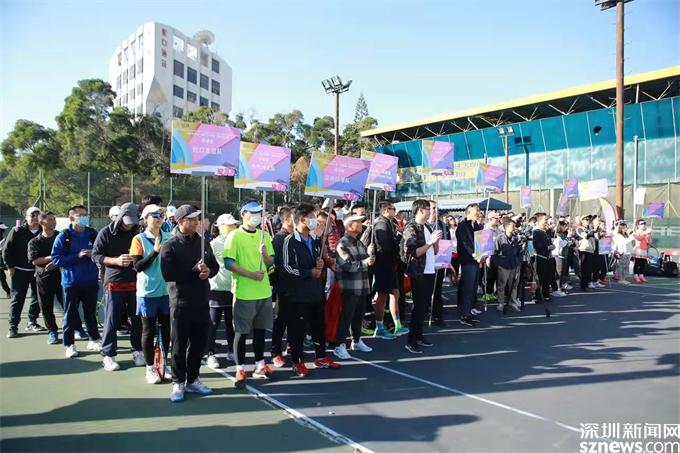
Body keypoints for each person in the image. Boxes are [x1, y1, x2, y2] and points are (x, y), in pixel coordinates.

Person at [160, 204, 219, 402]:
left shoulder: (203, 242)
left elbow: (214, 266)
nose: (195, 222)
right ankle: (178, 382)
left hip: (201, 300)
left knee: (198, 343)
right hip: (180, 302)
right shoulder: (170, 246)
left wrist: (208, 272)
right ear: (180, 221)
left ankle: (193, 379)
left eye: (196, 219)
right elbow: (169, 274)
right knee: (179, 344)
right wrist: (194, 271)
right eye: (191, 219)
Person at [280, 204, 341, 376]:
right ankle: (297, 361)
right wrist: (309, 272)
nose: (315, 221)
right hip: (298, 294)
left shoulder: (314, 240)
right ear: (302, 220)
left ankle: (321, 357)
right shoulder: (290, 241)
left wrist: (320, 263)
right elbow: (287, 267)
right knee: (298, 329)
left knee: (319, 326)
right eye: (312, 218)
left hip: (315, 292)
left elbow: (318, 260)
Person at [224, 200, 275, 389]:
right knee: (242, 332)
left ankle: (260, 365)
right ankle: (240, 368)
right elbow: (229, 263)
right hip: (244, 292)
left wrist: (265, 255)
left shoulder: (265, 235)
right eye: (253, 213)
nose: (257, 216)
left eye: (259, 213)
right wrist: (251, 275)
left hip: (264, 292)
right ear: (243, 214)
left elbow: (271, 262)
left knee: (260, 331)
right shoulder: (234, 236)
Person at [92, 202, 144, 371]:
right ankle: (108, 355)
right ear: (120, 217)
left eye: (133, 221)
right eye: (127, 221)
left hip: (136, 282)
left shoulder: (139, 232)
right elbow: (95, 255)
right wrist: (115, 261)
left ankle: (138, 350)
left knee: (137, 319)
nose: (130, 225)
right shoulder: (105, 232)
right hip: (114, 282)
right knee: (111, 320)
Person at [51, 205, 103, 358]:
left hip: (91, 282)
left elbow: (102, 252)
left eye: (85, 214)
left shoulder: (93, 234)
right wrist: (77, 256)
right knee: (70, 315)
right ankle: (69, 344)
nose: (84, 218)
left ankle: (94, 339)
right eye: (80, 215)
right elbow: (56, 259)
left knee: (90, 314)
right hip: (71, 283)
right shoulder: (64, 236)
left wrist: (93, 253)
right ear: (72, 218)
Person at [129, 204, 172, 384]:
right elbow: (137, 266)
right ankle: (150, 368)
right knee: (148, 330)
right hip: (147, 293)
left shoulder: (169, 236)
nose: (159, 218)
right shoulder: (138, 239)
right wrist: (154, 252)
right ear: (146, 218)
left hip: (167, 291)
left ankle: (163, 364)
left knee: (167, 329)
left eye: (161, 215)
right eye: (155, 215)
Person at [332, 213, 374, 360]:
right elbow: (347, 265)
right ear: (349, 226)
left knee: (359, 315)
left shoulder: (359, 243)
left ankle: (356, 341)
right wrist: (365, 262)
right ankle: (339, 345)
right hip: (349, 287)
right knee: (346, 317)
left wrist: (369, 255)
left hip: (362, 286)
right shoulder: (342, 244)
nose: (361, 224)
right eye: (358, 222)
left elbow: (365, 261)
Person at [402, 199, 441, 354]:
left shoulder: (427, 227)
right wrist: (431, 242)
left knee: (425, 307)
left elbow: (435, 251)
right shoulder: (411, 227)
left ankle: (419, 336)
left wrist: (436, 241)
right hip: (419, 273)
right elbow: (414, 252)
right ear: (420, 210)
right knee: (418, 307)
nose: (432, 211)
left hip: (430, 271)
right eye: (429, 208)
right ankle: (411, 340)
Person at [206, 213, 240, 369]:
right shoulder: (213, 244)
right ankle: (210, 354)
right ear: (220, 227)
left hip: (234, 288)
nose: (233, 227)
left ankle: (231, 351)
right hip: (216, 289)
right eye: (229, 225)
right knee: (213, 323)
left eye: (234, 224)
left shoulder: (238, 241)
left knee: (230, 323)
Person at [3, 207, 43, 338]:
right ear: (26, 217)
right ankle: (13, 326)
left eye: (37, 215)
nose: (35, 218)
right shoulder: (17, 231)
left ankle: (32, 321)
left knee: (37, 298)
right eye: (32, 215)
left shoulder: (44, 231)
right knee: (17, 299)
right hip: (20, 272)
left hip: (38, 271)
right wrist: (10, 266)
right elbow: (7, 250)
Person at [27, 212, 66, 344]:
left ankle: (76, 328)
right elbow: (35, 260)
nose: (54, 222)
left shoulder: (62, 237)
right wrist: (53, 257)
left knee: (68, 305)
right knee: (46, 306)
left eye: (54, 219)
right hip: (43, 279)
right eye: (50, 220)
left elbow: (67, 253)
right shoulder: (34, 242)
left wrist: (56, 262)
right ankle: (52, 331)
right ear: (41, 222)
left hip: (63, 278)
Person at [372, 201, 408, 337]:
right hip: (383, 265)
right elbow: (384, 247)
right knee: (382, 296)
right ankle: (379, 327)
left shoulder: (389, 223)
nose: (395, 211)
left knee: (395, 293)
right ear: (387, 210)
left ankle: (397, 325)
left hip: (390, 265)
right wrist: (397, 239)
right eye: (393, 209)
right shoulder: (381, 224)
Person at [271, 207, 294, 368]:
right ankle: (275, 352)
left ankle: (291, 345)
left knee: (296, 318)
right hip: (284, 284)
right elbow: (277, 264)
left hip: (297, 285)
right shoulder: (279, 239)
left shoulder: (296, 237)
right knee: (282, 318)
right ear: (286, 219)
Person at [455, 203, 484, 326]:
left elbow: (480, 241)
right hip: (468, 261)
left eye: (479, 210)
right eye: (476, 210)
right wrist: (475, 255)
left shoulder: (476, 225)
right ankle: (464, 314)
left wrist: (482, 254)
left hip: (476, 260)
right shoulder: (462, 226)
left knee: (473, 288)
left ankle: (469, 310)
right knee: (467, 288)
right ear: (469, 212)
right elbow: (466, 243)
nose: (479, 212)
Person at [493, 218, 521, 313]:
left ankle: (512, 302)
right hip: (503, 265)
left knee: (514, 285)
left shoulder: (516, 238)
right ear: (506, 226)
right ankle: (501, 302)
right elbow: (495, 252)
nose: (514, 227)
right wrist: (498, 263)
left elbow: (519, 251)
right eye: (512, 225)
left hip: (514, 264)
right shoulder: (499, 238)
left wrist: (518, 263)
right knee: (501, 285)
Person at [576, 215, 597, 291]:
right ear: (582, 220)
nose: (588, 221)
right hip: (584, 251)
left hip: (591, 250)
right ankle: (584, 286)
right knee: (584, 269)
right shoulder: (580, 229)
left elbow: (596, 238)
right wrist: (593, 231)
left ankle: (588, 283)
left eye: (589, 219)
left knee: (589, 269)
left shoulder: (589, 229)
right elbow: (585, 236)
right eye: (586, 219)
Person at [632, 219, 652, 283]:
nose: (643, 225)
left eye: (644, 223)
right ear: (638, 225)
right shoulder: (636, 232)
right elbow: (638, 238)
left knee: (643, 264)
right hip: (638, 250)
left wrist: (649, 237)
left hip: (644, 250)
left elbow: (650, 241)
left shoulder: (647, 232)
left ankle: (641, 276)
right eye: (642, 224)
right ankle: (635, 276)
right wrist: (645, 233)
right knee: (637, 264)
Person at [0, 222, 10, 298]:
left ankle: (8, 292)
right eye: (2, 230)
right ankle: (8, 292)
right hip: (2, 261)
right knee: (2, 278)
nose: (3, 231)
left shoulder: (3, 238)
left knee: (2, 278)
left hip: (3, 261)